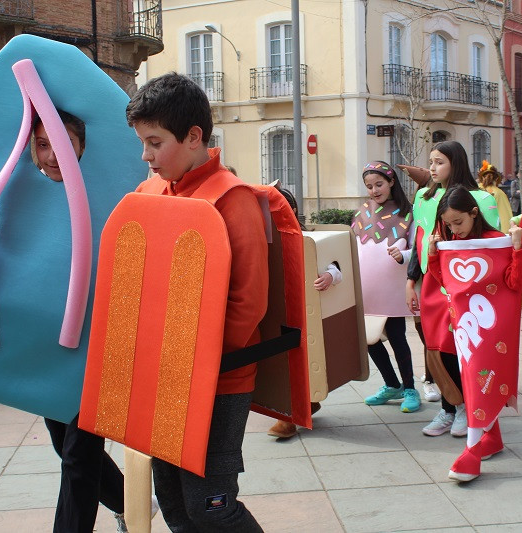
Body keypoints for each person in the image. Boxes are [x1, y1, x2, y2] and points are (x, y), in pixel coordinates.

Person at [128, 73, 268, 531]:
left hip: (219, 380)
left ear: (193, 137)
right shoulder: (149, 192)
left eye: (154, 142)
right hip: (162, 378)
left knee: (212, 504)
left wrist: (195, 360)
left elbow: (248, 303)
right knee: (172, 499)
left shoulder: (233, 199)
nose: (145, 156)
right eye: (142, 142)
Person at [31, 111, 133, 533]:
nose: (52, 154)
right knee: (64, 445)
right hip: (50, 349)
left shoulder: (109, 193)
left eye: (61, 141)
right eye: (41, 144)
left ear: (84, 145)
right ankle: (133, 502)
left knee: (78, 454)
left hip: (99, 348)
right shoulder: (27, 199)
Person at [427, 186, 522, 481]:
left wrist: (519, 248)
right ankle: (491, 438)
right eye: (449, 225)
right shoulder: (453, 244)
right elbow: (447, 282)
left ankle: (472, 453)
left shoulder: (498, 242)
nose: (454, 229)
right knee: (473, 381)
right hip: (466, 327)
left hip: (493, 328)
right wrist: (434, 256)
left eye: (458, 222)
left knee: (480, 380)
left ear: (474, 213)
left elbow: (515, 282)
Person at [403, 141, 499, 438]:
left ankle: (470, 408)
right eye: (430, 161)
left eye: (439, 162)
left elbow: (491, 243)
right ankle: (449, 408)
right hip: (433, 282)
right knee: (438, 348)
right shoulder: (422, 196)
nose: (432, 168)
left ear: (456, 163)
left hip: (469, 287)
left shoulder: (482, 198)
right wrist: (411, 280)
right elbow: (418, 240)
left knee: (465, 349)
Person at [354, 161, 419, 413]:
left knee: (397, 337)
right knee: (369, 339)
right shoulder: (362, 213)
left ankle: (411, 387)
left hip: (393, 289)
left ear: (392, 182)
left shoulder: (407, 212)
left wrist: (403, 253)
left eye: (379, 184)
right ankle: (392, 385)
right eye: (369, 186)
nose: (374, 190)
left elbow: (418, 249)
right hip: (367, 290)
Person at [267, 186, 330, 439]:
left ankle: (291, 416)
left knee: (300, 363)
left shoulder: (308, 240)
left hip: (305, 314)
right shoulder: (266, 240)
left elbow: (334, 264)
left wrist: (329, 275)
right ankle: (296, 411)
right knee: (285, 365)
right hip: (279, 313)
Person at [478, 160, 512, 232]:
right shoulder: (499, 193)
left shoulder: (476, 191)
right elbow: (505, 217)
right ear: (497, 179)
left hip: (478, 232)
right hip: (494, 233)